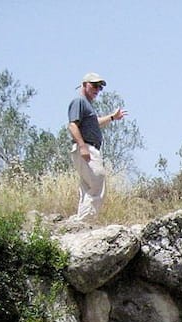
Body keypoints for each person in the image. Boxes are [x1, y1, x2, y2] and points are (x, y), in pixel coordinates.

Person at [67, 72, 128, 223]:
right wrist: (82, 146)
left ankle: (80, 221)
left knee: (87, 187)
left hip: (89, 147)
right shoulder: (79, 101)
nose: (97, 90)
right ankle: (85, 222)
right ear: (84, 84)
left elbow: (95, 123)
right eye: (94, 86)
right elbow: (72, 125)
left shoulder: (87, 105)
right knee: (97, 183)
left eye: (100, 87)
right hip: (86, 147)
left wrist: (112, 117)